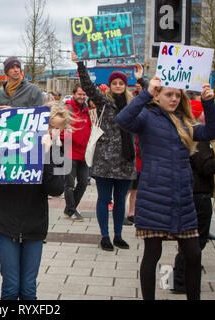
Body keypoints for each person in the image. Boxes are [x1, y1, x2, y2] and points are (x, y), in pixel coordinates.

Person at [115, 77, 215, 300]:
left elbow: (212, 132)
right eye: (168, 94)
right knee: (152, 254)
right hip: (154, 196)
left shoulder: (184, 121)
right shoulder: (145, 117)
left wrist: (209, 103)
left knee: (193, 253)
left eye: (177, 95)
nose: (174, 99)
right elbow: (123, 119)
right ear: (158, 95)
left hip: (182, 196)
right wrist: (146, 93)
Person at [0, 101, 68, 300]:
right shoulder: (15, 142)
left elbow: (56, 188)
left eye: (57, 129)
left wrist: (47, 154)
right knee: (11, 286)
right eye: (49, 126)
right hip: (4, 218)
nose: (53, 132)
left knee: (28, 288)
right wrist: (15, 117)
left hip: (34, 223)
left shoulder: (58, 151)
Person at [172, 91, 215, 294]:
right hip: (198, 195)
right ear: (198, 115)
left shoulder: (194, 134)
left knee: (190, 240)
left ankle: (183, 274)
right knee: (194, 240)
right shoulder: (198, 138)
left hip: (194, 192)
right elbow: (207, 168)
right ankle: (181, 278)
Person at [72, 52, 136, 251]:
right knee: (104, 199)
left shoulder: (133, 105)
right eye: (115, 83)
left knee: (120, 202)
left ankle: (118, 234)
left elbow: (151, 99)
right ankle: (104, 236)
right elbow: (88, 86)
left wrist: (142, 79)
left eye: (121, 83)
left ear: (125, 86)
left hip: (125, 160)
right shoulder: (103, 101)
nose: (118, 85)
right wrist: (80, 64)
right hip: (105, 161)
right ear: (110, 85)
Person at [60, 83, 92, 222]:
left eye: (84, 94)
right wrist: (68, 138)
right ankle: (72, 211)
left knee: (83, 183)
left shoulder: (86, 109)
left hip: (84, 154)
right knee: (69, 184)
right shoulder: (67, 108)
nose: (82, 97)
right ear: (73, 94)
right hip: (70, 152)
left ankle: (69, 209)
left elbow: (89, 128)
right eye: (79, 94)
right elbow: (60, 128)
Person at [124, 63, 148, 226]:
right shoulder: (131, 102)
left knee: (136, 188)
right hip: (130, 152)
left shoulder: (146, 104)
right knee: (126, 187)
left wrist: (142, 78)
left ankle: (132, 212)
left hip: (141, 155)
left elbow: (150, 94)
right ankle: (121, 211)